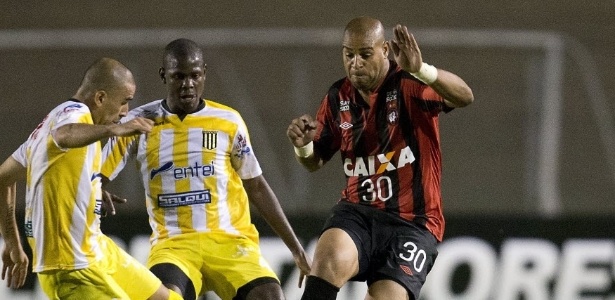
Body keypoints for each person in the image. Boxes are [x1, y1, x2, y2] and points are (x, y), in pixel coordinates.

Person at [101, 38, 311, 300]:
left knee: (270, 296)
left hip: (230, 242)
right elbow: (96, 176)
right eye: (179, 76)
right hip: (174, 245)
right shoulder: (138, 124)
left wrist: (296, 249)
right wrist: (98, 186)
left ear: (204, 74)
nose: (188, 84)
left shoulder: (228, 121)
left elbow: (255, 185)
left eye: (194, 76)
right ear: (164, 75)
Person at [286, 17, 474, 300]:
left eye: (365, 54)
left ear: (384, 50)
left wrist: (422, 69)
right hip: (357, 213)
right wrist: (303, 147)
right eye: (349, 55)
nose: (355, 63)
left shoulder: (410, 83)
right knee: (327, 263)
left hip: (414, 224)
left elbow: (465, 96)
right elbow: (315, 161)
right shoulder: (338, 97)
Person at [0, 57, 183, 300]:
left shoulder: (47, 127)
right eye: (124, 102)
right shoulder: (74, 116)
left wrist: (12, 242)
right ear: (100, 98)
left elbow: (3, 179)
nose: (125, 112)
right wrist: (114, 130)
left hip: (97, 249)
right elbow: (65, 135)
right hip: (72, 268)